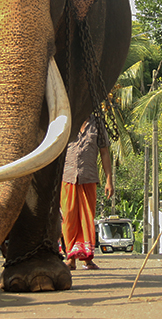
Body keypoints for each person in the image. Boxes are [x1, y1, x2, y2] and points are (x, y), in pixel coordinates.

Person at [61, 114, 113, 270]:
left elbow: (104, 152)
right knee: (68, 217)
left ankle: (87, 258)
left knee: (87, 217)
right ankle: (70, 257)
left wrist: (109, 180)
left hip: (88, 177)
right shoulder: (67, 119)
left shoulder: (97, 122)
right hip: (67, 177)